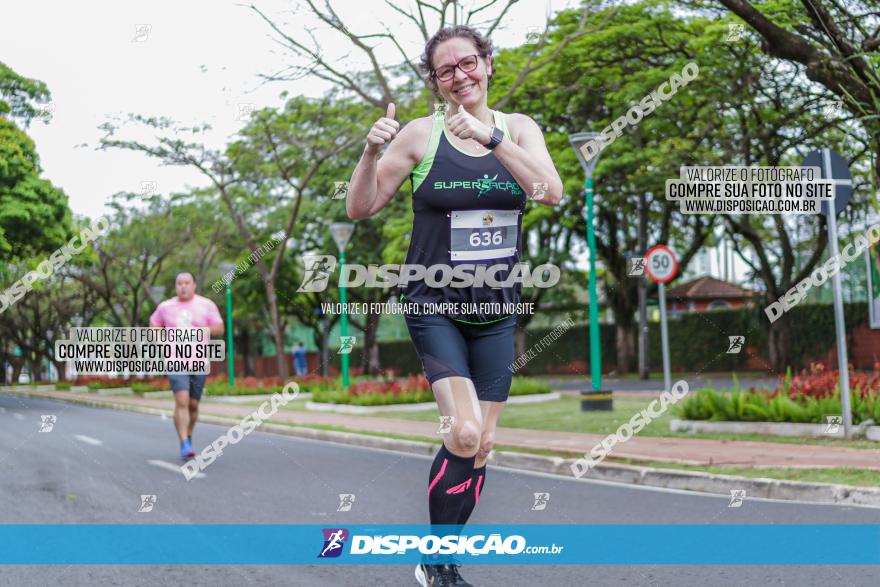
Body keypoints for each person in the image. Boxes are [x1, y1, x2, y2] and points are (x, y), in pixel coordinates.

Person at [347, 25, 562, 587]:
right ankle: (437, 563)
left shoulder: (519, 129)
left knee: (483, 445)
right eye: (446, 71)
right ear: (436, 82)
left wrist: (493, 140)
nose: (460, 76)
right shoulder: (421, 135)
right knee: (463, 433)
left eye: (468, 63)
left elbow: (550, 191)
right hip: (433, 304)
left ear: (488, 63)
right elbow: (361, 207)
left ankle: (441, 559)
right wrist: (371, 151)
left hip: (496, 312)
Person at [149, 272, 224, 458]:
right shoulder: (165, 307)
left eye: (186, 283)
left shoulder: (206, 305)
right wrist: (162, 344)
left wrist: (200, 330)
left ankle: (188, 435)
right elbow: (154, 325)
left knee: (193, 404)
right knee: (182, 400)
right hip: (175, 360)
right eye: (179, 283)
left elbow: (219, 328)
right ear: (175, 286)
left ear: (194, 285)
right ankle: (184, 443)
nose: (183, 286)